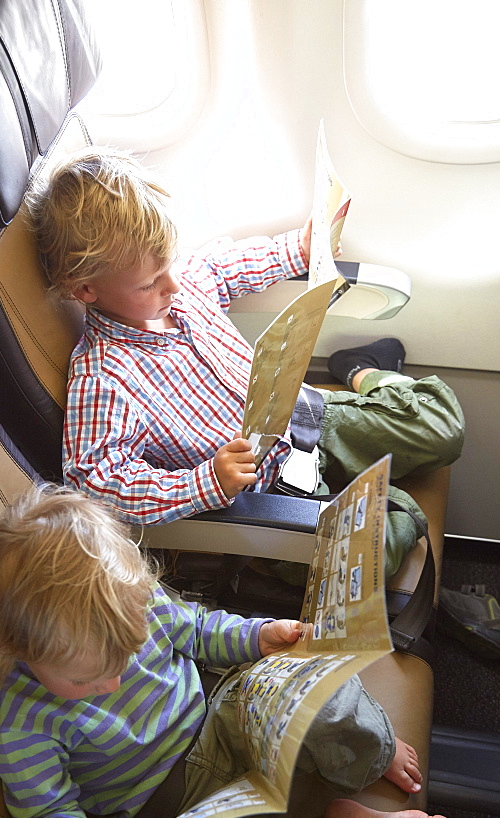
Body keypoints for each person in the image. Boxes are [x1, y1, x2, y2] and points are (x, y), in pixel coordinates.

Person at [0, 485, 451, 818]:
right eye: (85, 681)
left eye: (126, 657)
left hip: (225, 713)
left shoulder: (135, 599)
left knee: (309, 685)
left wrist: (261, 636)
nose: (111, 685)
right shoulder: (18, 723)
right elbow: (47, 813)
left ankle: (370, 751)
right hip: (175, 811)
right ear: (13, 647)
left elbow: (198, 631)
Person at [28, 148, 465, 578]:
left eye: (172, 262)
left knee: (443, 428)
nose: (175, 284)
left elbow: (228, 266)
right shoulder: (102, 378)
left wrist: (301, 247)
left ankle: (362, 370)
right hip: (268, 491)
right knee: (370, 559)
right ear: (85, 290)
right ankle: (388, 500)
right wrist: (203, 481)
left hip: (305, 417)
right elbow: (97, 484)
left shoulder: (183, 283)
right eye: (148, 284)